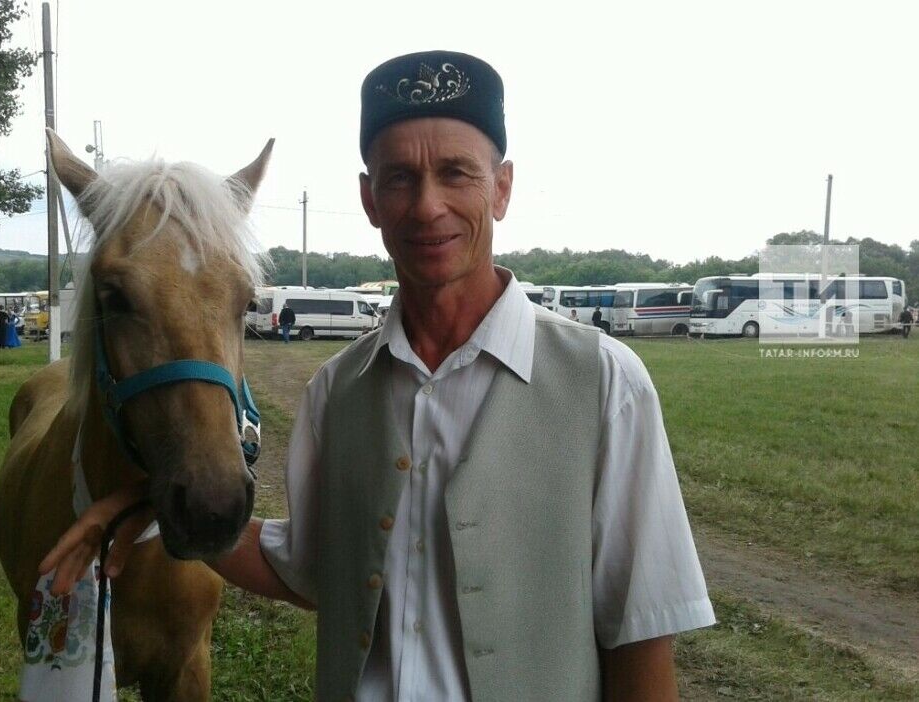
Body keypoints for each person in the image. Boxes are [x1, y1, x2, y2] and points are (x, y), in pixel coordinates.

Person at [45, 50, 714, 701]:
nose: (427, 206)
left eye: (456, 173)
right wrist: (154, 502)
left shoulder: (606, 384)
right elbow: (309, 568)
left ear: (502, 189)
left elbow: (641, 642)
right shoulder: (335, 393)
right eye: (398, 178)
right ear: (368, 199)